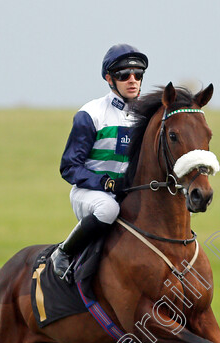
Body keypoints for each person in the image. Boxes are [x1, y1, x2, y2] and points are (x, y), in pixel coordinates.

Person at [50, 43, 148, 280]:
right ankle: (63, 253)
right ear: (109, 79)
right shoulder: (91, 114)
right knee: (109, 208)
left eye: (138, 75)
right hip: (90, 194)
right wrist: (106, 184)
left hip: (128, 192)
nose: (132, 80)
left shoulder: (148, 115)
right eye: (124, 75)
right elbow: (69, 167)